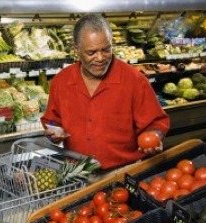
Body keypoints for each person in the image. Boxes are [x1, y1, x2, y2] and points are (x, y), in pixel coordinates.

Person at [41, 14, 170, 171]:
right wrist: (53, 132)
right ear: (77, 50)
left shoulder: (134, 79)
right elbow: (52, 121)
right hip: (77, 173)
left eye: (106, 49)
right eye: (92, 52)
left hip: (124, 172)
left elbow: (156, 123)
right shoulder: (61, 81)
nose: (100, 58)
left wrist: (154, 136)